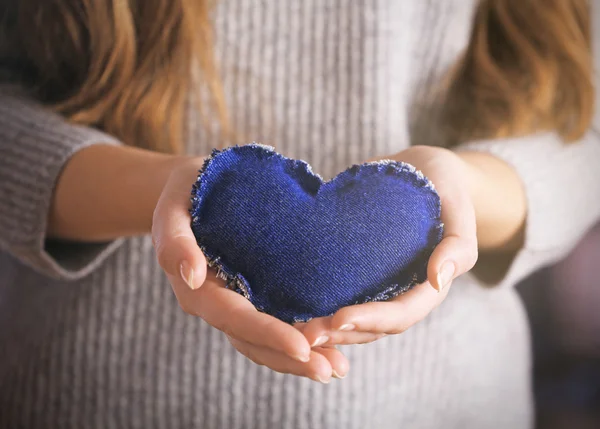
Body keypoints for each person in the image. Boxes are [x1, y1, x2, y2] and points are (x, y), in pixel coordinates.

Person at [0, 0, 598, 428]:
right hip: (90, 393)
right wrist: (167, 191)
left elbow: (583, 135)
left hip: (449, 403)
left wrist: (461, 186)